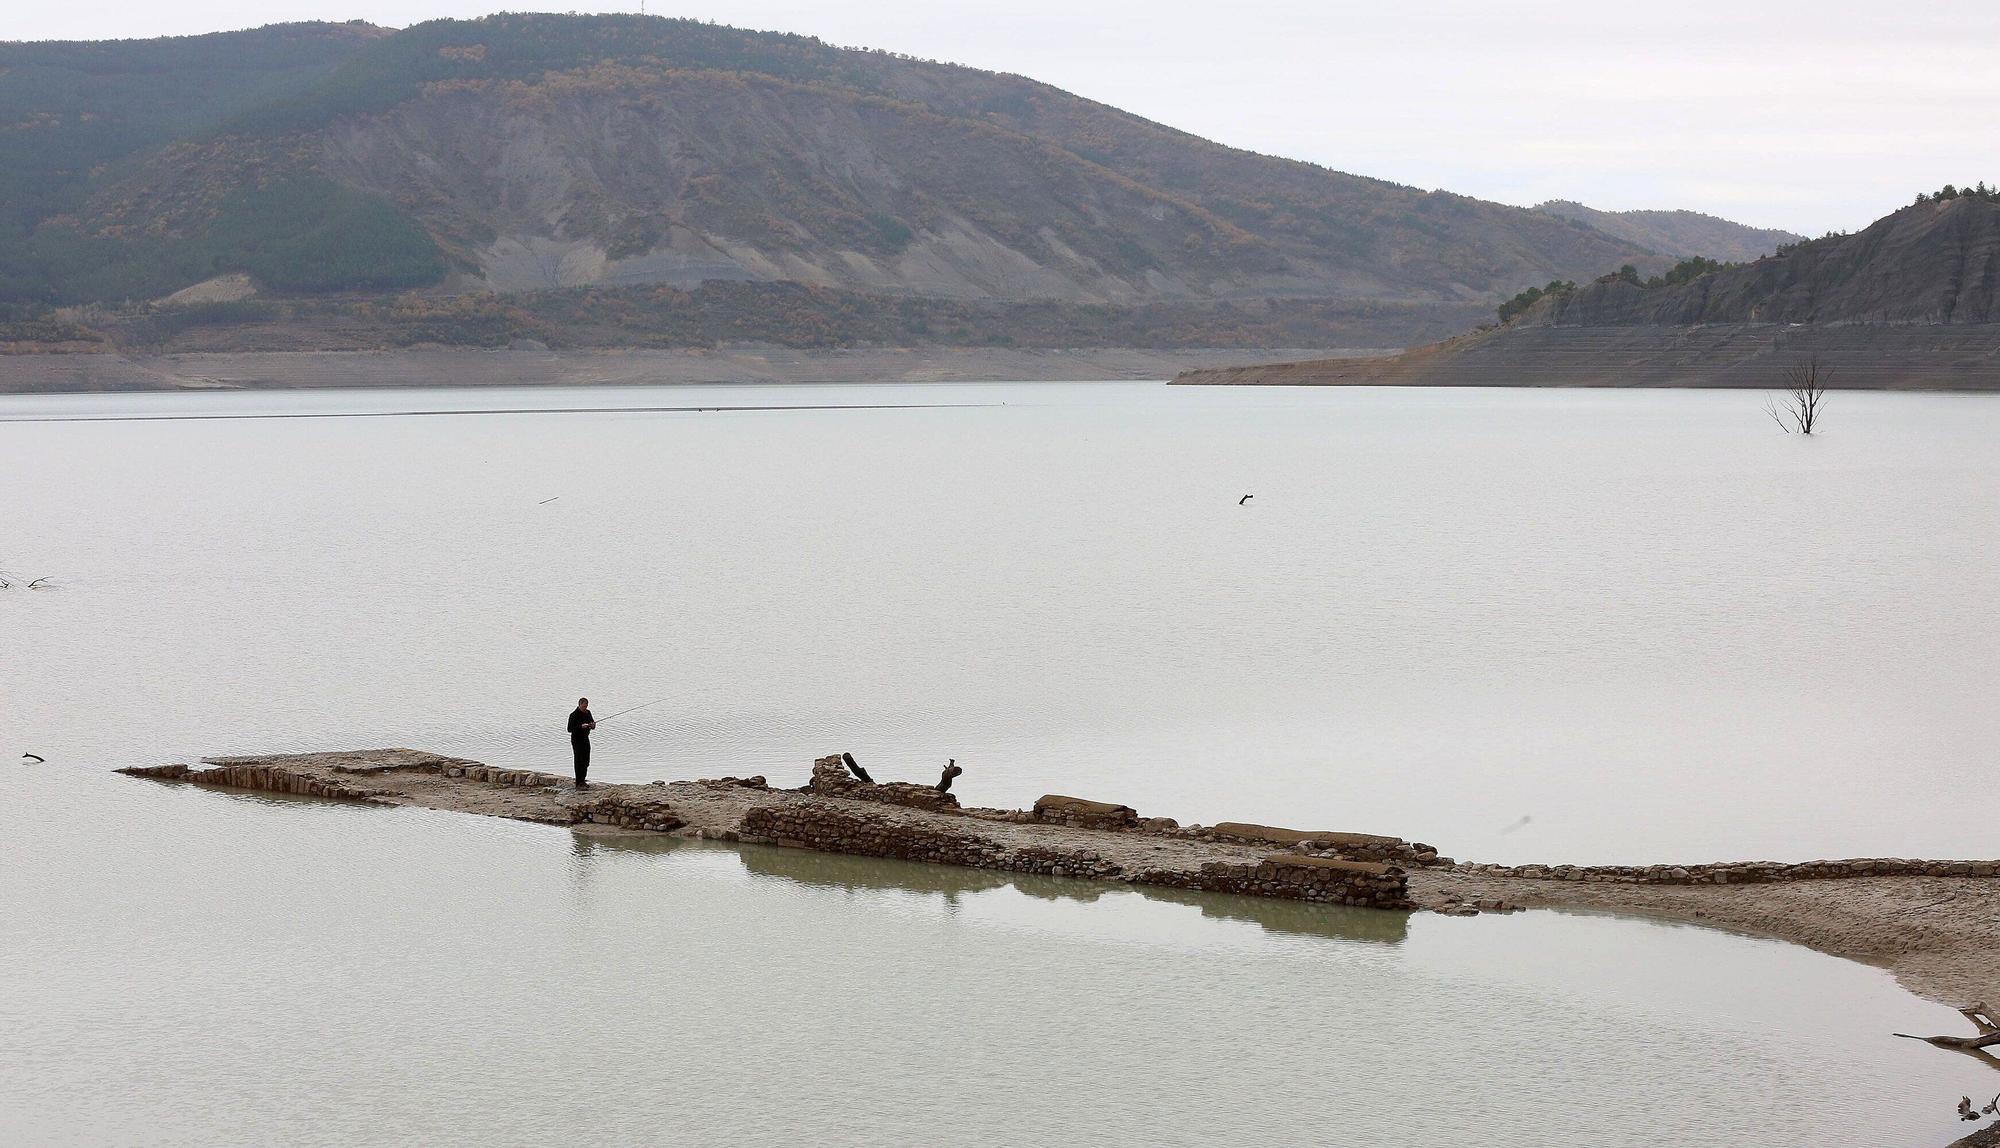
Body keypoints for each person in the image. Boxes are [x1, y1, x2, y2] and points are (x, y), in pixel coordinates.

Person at [567, 697, 596, 788]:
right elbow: (569, 729)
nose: (585, 708)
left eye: (586, 706)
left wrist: (592, 725)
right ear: (579, 705)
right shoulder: (573, 715)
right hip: (576, 740)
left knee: (586, 760)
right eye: (583, 706)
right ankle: (578, 781)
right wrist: (581, 726)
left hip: (585, 739)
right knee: (579, 760)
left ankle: (583, 780)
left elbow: (592, 724)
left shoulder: (588, 713)